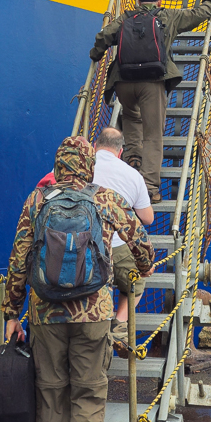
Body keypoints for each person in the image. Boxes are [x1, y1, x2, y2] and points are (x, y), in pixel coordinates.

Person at [3, 136, 153, 422]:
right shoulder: (104, 199)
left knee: (52, 401)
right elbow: (141, 242)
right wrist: (144, 266)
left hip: (45, 316)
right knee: (88, 399)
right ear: (88, 166)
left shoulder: (37, 201)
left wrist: (11, 312)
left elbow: (18, 260)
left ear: (58, 167)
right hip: (94, 315)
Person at [89, 0, 211, 202]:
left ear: (139, 1)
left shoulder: (125, 18)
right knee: (153, 133)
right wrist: (210, 3)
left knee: (131, 116)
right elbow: (197, 15)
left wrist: (96, 54)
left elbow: (104, 36)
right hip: (152, 81)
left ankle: (133, 157)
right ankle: (148, 186)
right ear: (159, 1)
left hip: (123, 82)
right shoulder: (168, 16)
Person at [92, 125, 155, 346]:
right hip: (117, 247)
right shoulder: (132, 175)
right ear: (120, 152)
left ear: (95, 145)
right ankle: (119, 324)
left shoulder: (80, 168)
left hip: (79, 246)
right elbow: (148, 219)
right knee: (135, 281)